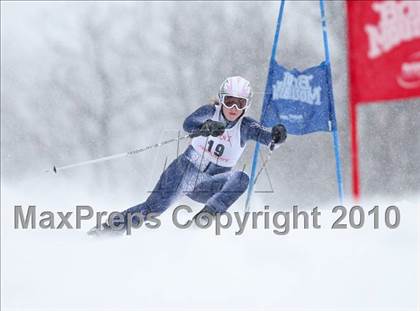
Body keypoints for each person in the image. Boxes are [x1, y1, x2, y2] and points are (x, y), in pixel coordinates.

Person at [92, 76, 286, 235]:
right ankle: (108, 229)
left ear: (246, 105)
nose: (233, 109)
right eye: (229, 102)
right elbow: (189, 123)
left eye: (240, 104)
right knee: (152, 210)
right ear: (222, 99)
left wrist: (277, 136)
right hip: (185, 170)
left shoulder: (246, 126)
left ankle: (203, 219)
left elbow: (267, 137)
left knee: (241, 178)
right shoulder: (210, 111)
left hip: (208, 183)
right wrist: (204, 127)